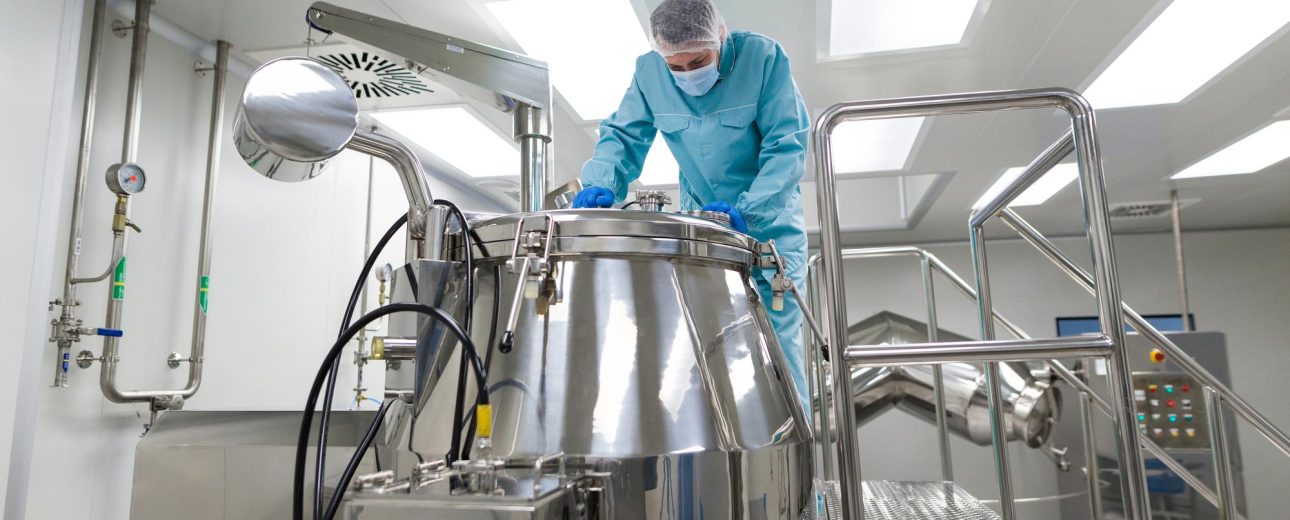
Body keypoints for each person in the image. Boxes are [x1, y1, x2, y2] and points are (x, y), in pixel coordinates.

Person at [570, 0, 812, 409]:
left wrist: (749, 212)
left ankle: (792, 465)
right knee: (707, 353)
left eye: (697, 61)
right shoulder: (649, 72)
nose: (687, 75)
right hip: (704, 230)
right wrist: (600, 183)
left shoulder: (763, 58)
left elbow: (785, 146)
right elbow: (623, 137)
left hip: (768, 232)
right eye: (675, 68)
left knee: (776, 355)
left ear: (719, 36)